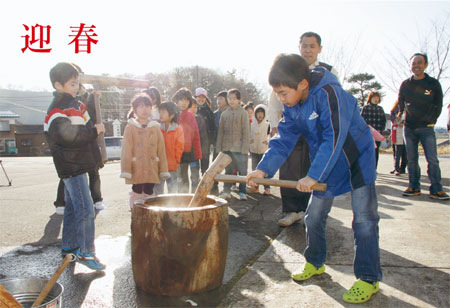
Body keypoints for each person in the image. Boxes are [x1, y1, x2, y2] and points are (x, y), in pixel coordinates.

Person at [248, 54, 382, 304]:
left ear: (302, 84)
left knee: (364, 221)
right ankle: (315, 262)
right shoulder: (293, 104)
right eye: (276, 93)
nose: (280, 98)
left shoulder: (331, 93)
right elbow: (284, 138)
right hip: (327, 162)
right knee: (313, 216)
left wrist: (313, 175)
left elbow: (335, 136)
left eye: (283, 92)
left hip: (356, 159)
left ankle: (368, 277)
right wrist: (263, 170)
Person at [268, 31, 339, 227]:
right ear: (299, 47)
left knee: (313, 167)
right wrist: (275, 125)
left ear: (319, 49)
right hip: (293, 124)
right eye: (304, 45)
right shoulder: (287, 68)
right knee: (289, 167)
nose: (308, 49)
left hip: (316, 128)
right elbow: (275, 100)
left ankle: (309, 211)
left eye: (312, 46)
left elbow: (334, 106)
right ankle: (291, 210)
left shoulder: (328, 72)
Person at [44, 62, 106, 270]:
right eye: (72, 84)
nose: (76, 87)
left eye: (77, 83)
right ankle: (87, 253)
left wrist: (93, 99)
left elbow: (90, 123)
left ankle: (70, 246)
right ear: (58, 85)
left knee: (72, 207)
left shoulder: (77, 105)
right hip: (72, 166)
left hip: (80, 163)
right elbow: (70, 137)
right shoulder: (56, 110)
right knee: (86, 209)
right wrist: (94, 131)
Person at [398, 53, 449, 200]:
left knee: (432, 159)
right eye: (414, 63)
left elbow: (438, 105)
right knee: (412, 159)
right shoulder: (406, 84)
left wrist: (431, 119)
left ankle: (436, 189)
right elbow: (401, 103)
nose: (416, 66)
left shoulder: (433, 84)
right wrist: (402, 115)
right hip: (409, 128)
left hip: (427, 127)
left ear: (426, 64)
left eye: (419, 63)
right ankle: (413, 186)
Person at [120, 93, 170, 208]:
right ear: (135, 109)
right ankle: (136, 215)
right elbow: (126, 150)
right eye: (141, 106)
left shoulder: (155, 127)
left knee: (149, 192)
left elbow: (161, 150)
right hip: (136, 168)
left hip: (151, 167)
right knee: (137, 192)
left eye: (148, 106)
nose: (145, 109)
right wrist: (126, 169)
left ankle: (149, 217)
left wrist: (163, 170)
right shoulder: (130, 127)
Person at [216, 88, 250, 201]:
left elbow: (246, 132)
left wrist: (245, 148)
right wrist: (219, 147)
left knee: (242, 170)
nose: (231, 101)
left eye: (234, 99)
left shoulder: (244, 113)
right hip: (226, 147)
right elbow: (220, 132)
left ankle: (242, 191)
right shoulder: (224, 114)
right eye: (229, 98)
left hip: (239, 147)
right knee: (228, 170)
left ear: (239, 99)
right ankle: (226, 191)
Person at [172, 88, 202, 193]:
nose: (184, 103)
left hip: (192, 153)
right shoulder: (173, 116)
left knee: (195, 178)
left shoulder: (190, 116)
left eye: (186, 100)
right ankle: (182, 199)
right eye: (181, 100)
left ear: (189, 102)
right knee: (181, 178)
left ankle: (194, 198)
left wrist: (198, 153)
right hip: (180, 153)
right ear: (176, 101)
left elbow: (196, 135)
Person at [154, 101, 184, 195]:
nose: (161, 114)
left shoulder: (178, 129)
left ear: (171, 115)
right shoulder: (157, 128)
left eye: (163, 112)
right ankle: (159, 208)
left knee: (172, 190)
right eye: (160, 112)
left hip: (172, 166)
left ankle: (173, 208)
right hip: (159, 166)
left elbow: (180, 147)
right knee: (158, 191)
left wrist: (176, 160)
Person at [247, 104, 270, 195]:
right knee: (254, 169)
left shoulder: (268, 125)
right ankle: (255, 187)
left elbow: (273, 136)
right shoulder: (251, 124)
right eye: (258, 113)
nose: (260, 115)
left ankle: (267, 188)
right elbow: (247, 134)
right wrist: (249, 141)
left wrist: (268, 141)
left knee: (264, 170)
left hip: (264, 150)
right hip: (254, 150)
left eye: (262, 113)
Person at [360, 92, 387, 168]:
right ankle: (366, 168)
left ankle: (374, 168)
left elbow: (383, 121)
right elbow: (361, 121)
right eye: (374, 97)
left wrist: (380, 130)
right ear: (370, 98)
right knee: (367, 151)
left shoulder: (380, 109)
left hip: (377, 133)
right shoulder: (365, 108)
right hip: (367, 134)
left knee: (376, 151)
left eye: (377, 98)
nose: (376, 99)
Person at [211, 91, 229, 195]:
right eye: (218, 99)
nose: (218, 101)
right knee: (215, 167)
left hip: (228, 145)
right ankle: (214, 188)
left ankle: (227, 189)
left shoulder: (230, 112)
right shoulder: (215, 114)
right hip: (217, 145)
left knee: (228, 168)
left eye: (221, 99)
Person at [194, 87, 216, 175]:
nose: (201, 99)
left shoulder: (209, 111)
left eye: (203, 97)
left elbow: (213, 127)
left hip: (205, 143)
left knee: (205, 165)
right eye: (199, 97)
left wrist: (211, 141)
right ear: (195, 97)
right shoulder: (192, 109)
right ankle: (195, 184)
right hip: (194, 142)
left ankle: (203, 182)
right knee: (194, 166)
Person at [188, 100, 206, 192]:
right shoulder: (182, 118)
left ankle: (194, 194)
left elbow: (202, 136)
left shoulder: (199, 119)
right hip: (184, 153)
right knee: (182, 177)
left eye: (196, 107)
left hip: (194, 153)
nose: (194, 109)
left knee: (195, 176)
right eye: (192, 107)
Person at [390, 100, 407, 175]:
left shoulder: (408, 107)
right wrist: (397, 122)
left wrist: (403, 123)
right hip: (396, 133)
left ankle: (402, 168)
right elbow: (392, 118)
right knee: (397, 153)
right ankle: (396, 168)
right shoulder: (395, 108)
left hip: (406, 132)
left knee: (405, 153)